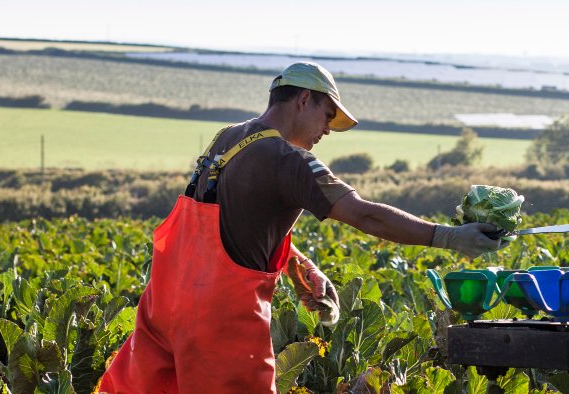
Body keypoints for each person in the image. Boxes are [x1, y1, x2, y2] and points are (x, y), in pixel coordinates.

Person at [96, 62, 505, 393]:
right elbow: (364, 215)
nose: (327, 130)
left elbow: (221, 222)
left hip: (163, 308)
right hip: (217, 323)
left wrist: (297, 264)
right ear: (303, 100)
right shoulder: (288, 160)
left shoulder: (226, 139)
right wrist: (450, 237)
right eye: (327, 116)